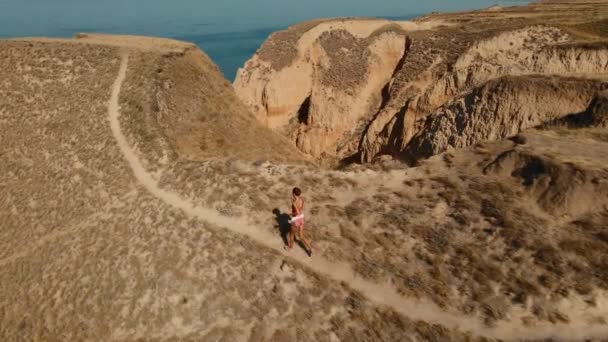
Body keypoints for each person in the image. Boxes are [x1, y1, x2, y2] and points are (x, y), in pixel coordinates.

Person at [286, 187, 313, 256]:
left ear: (293, 193)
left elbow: (297, 212)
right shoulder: (302, 200)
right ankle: (310, 248)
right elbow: (300, 210)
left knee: (291, 234)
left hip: (296, 219)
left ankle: (290, 248)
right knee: (301, 236)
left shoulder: (294, 202)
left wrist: (290, 214)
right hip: (301, 217)